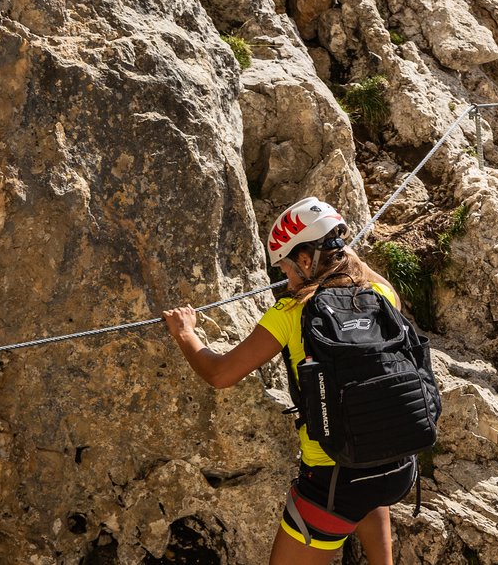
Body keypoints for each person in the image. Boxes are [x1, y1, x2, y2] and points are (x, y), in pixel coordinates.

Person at [162, 198, 416, 565]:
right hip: (396, 467)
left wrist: (185, 332)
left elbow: (220, 374)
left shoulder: (291, 312)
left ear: (307, 259)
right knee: (366, 482)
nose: (287, 279)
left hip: (332, 482)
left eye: (287, 267)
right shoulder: (381, 293)